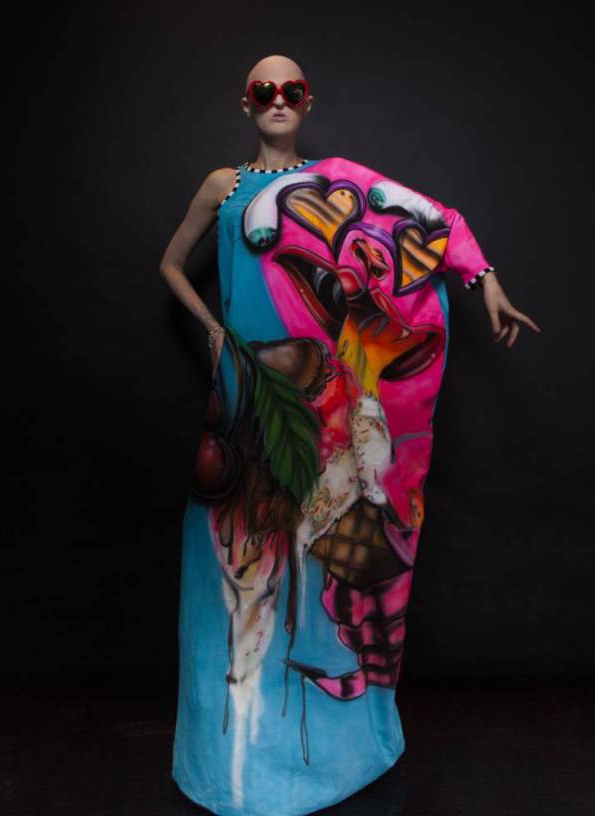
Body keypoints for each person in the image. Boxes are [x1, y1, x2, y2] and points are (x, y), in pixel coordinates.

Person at [159, 54, 540, 816]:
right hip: (242, 393)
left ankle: (316, 759)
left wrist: (484, 278)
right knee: (230, 568)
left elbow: (425, 221)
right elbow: (172, 264)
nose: (277, 100)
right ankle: (228, 763)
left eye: (290, 90)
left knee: (306, 562)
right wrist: (210, 329)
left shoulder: (335, 186)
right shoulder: (222, 185)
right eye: (263, 91)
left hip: (313, 407)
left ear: (307, 102)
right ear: (245, 103)